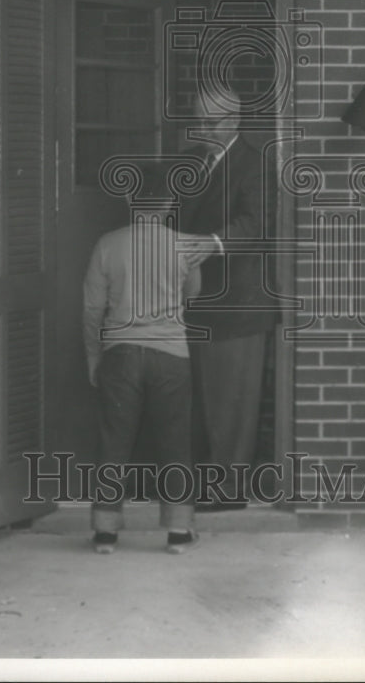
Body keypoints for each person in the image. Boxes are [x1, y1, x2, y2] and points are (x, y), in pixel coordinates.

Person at [83, 160, 201, 555]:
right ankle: (179, 533)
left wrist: (93, 358)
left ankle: (105, 533)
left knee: (113, 441)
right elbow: (192, 295)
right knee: (176, 442)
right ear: (169, 203)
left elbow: (91, 310)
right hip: (171, 355)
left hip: (120, 354)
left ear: (132, 202)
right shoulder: (186, 244)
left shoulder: (107, 243)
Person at [178, 86, 276, 509]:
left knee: (232, 405)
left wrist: (213, 242)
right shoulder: (199, 160)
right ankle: (207, 485)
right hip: (199, 303)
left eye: (209, 123)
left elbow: (256, 224)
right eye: (197, 120)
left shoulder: (255, 163)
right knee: (204, 403)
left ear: (234, 121)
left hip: (238, 305)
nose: (200, 129)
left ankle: (230, 492)